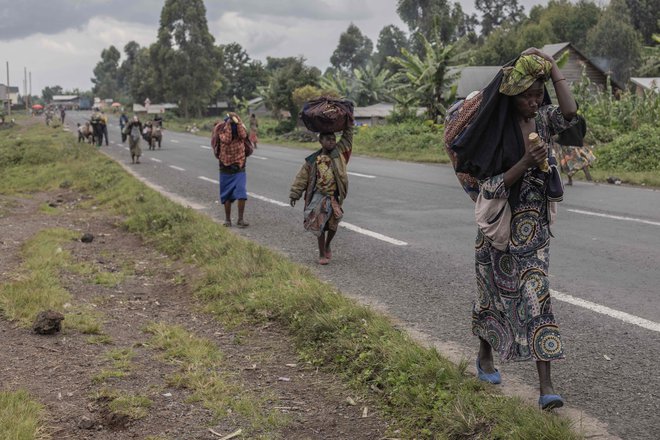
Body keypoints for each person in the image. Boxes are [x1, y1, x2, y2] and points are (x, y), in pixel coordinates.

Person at [445, 48, 578, 410]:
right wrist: (524, 162)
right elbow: (488, 188)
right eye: (527, 97)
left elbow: (569, 114)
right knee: (492, 295)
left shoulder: (545, 121)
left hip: (533, 229)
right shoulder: (493, 131)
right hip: (498, 229)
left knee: (536, 298)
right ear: (510, 97)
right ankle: (485, 355)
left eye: (539, 95)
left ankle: (545, 387)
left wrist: (552, 69)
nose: (535, 103)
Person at [289, 116, 354, 265]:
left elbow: (348, 137)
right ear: (321, 141)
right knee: (320, 224)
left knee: (334, 222)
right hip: (319, 195)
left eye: (333, 139)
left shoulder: (339, 153)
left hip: (333, 196)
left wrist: (349, 121)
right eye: (328, 139)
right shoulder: (313, 160)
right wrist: (295, 194)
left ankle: (328, 244)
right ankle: (321, 253)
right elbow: (302, 178)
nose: (332, 141)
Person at [216, 112, 249, 228]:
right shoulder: (221, 133)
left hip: (239, 167)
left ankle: (240, 219)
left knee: (241, 192)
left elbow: (245, 137)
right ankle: (227, 219)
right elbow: (223, 143)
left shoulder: (241, 134)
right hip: (225, 167)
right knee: (227, 195)